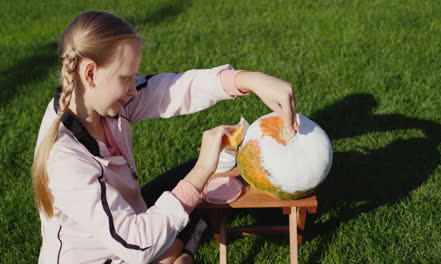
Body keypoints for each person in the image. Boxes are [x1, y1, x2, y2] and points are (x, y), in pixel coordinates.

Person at [32, 10, 299, 264]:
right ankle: (184, 250)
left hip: (128, 220)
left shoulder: (95, 100)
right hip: (114, 252)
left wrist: (247, 79)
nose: (133, 90)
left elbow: (170, 90)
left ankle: (181, 246)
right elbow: (137, 245)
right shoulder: (65, 161)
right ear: (91, 73)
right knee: (197, 188)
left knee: (217, 172)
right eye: (126, 78)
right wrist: (201, 169)